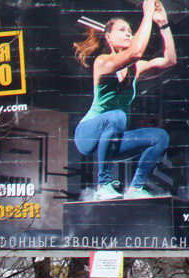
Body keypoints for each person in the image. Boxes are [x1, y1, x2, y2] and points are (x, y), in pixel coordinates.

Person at [72, 0, 176, 200]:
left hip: (113, 138)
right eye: (123, 30)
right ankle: (103, 185)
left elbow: (170, 60)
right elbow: (136, 53)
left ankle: (136, 188)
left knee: (160, 137)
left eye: (130, 30)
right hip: (87, 135)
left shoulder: (136, 69)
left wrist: (163, 24)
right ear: (109, 38)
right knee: (117, 116)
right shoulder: (102, 62)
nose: (129, 33)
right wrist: (146, 15)